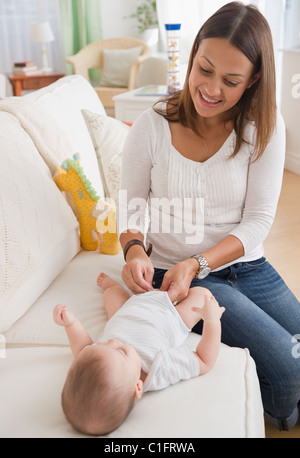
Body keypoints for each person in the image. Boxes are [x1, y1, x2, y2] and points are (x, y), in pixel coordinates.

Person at [117, 1, 300, 431]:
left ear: (254, 79)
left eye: (231, 80)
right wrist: (133, 252)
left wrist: (200, 260)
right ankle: (282, 409)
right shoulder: (153, 125)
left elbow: (258, 220)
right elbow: (132, 208)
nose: (211, 89)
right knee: (289, 374)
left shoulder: (265, 127)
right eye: (205, 69)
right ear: (193, 54)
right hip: (181, 276)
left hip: (246, 266)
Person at [53, 274, 224, 436]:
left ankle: (113, 286)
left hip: (124, 312)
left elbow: (82, 348)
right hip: (170, 316)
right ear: (138, 387)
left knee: (112, 294)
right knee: (202, 295)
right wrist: (212, 321)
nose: (113, 342)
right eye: (121, 351)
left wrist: (71, 324)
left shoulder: (101, 358)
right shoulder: (159, 368)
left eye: (103, 345)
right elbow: (204, 360)